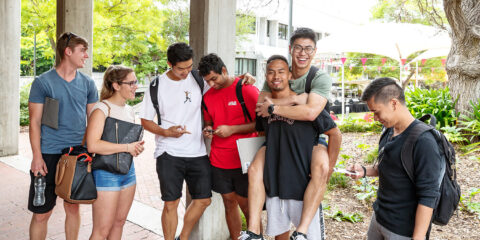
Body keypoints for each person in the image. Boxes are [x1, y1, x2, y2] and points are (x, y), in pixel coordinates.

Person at [241, 28, 342, 240]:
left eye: (308, 48)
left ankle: (303, 231)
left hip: (310, 140)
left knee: (321, 168)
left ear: (314, 51)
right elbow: (261, 108)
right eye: (298, 48)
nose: (302, 53)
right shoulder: (276, 75)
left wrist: (285, 103)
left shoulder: (318, 78)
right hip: (277, 142)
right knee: (255, 170)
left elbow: (312, 112)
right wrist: (293, 100)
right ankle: (254, 231)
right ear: (290, 49)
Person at [346, 77, 444, 240]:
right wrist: (364, 171)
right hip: (378, 219)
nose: (375, 118)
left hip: (402, 231)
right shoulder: (389, 131)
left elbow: (428, 196)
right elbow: (389, 167)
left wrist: (418, 237)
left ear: (393, 103)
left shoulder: (424, 141)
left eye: (376, 112)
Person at [28, 32, 98, 240]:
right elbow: (35, 122)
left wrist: (89, 151)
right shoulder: (43, 82)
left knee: (73, 209)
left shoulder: (87, 83)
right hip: (48, 154)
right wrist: (37, 156)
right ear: (68, 52)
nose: (86, 55)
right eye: (82, 51)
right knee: (42, 214)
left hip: (76, 156)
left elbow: (93, 121)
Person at [254, 55, 330, 240]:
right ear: (266, 76)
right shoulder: (263, 108)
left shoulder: (306, 105)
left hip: (302, 187)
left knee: (307, 237)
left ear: (289, 75)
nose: (275, 76)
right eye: (271, 72)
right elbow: (264, 134)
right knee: (280, 235)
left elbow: (334, 134)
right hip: (277, 187)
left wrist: (329, 166)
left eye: (281, 72)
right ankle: (253, 230)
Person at [198, 53, 259, 240]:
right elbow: (208, 122)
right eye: (207, 81)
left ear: (224, 70)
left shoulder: (246, 89)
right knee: (228, 202)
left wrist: (232, 129)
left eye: (214, 79)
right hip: (219, 160)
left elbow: (262, 124)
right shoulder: (207, 97)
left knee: (248, 207)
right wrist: (207, 130)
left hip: (244, 159)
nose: (211, 84)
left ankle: (256, 236)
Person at [86, 65, 145, 239]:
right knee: (101, 231)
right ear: (116, 85)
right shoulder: (102, 109)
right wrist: (127, 147)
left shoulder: (129, 110)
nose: (136, 86)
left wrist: (135, 147)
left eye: (136, 81)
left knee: (119, 223)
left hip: (128, 171)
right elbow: (92, 145)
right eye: (131, 82)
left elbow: (125, 143)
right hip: (106, 173)